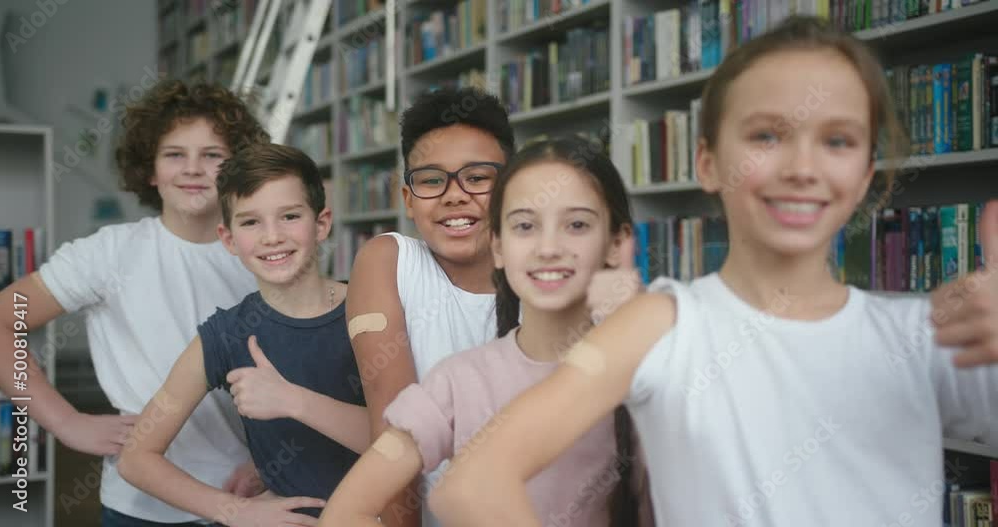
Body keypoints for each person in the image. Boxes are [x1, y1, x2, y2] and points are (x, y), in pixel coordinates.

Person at [428, 16, 998, 527]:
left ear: (869, 169)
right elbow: (472, 484)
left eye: (837, 140)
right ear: (706, 161)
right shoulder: (658, 325)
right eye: (766, 136)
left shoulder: (932, 333)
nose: (802, 167)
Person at [320, 137, 650, 527]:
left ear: (616, 244)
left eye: (576, 224)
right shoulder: (459, 381)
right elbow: (344, 513)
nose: (548, 247)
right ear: (497, 245)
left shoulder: (647, 372)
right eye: (525, 225)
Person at [0, 80, 272, 525]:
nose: (193, 169)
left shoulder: (266, 253)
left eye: (212, 155)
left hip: (253, 494)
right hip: (142, 506)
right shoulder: (109, 252)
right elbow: (3, 320)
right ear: (149, 169)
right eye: (174, 154)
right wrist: (66, 421)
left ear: (237, 168)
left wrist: (267, 463)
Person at [118, 143, 368, 526]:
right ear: (229, 239)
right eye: (251, 222)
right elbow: (136, 458)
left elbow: (407, 442)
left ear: (321, 224)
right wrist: (236, 511)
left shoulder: (372, 310)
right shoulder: (225, 334)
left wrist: (291, 400)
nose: (271, 237)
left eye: (289, 216)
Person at [346, 87, 514, 526]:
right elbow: (392, 420)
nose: (455, 195)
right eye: (432, 180)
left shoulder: (541, 273)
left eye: (477, 177)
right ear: (407, 198)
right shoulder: (388, 260)